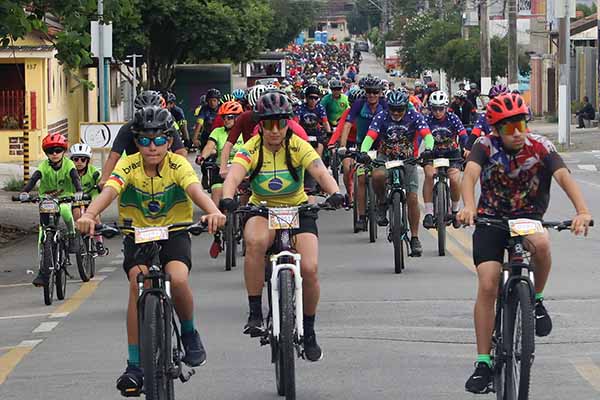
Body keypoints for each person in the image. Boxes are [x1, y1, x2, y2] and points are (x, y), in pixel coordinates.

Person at [76, 105, 226, 396]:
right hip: (138, 235)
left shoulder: (179, 165)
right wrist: (89, 215)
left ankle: (189, 332)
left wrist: (213, 212)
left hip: (175, 232)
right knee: (137, 284)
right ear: (136, 142)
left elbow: (196, 190)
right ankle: (134, 365)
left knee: (178, 278)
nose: (152, 147)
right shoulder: (128, 165)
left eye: (159, 140)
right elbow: (109, 192)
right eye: (144, 140)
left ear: (169, 141)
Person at [458, 93, 593, 394]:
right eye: (508, 128)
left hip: (526, 217)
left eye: (520, 124)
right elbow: (470, 176)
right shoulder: (484, 146)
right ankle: (483, 363)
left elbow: (563, 176)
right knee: (489, 283)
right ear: (496, 130)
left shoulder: (541, 146)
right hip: (491, 218)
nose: (517, 133)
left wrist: (582, 211)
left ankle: (538, 300)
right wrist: (468, 206)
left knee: (542, 244)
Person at [220, 92, 344, 362]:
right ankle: (254, 312)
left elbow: (320, 172)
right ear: (260, 124)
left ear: (288, 123)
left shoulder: (298, 145)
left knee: (310, 269)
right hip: (262, 209)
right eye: (268, 124)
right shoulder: (251, 148)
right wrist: (227, 197)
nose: (275, 130)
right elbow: (234, 176)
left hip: (298, 209)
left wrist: (335, 192)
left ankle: (309, 332)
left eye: (280, 123)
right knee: (254, 243)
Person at [358, 90, 433, 256]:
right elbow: (370, 136)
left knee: (412, 198)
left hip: (408, 158)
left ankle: (414, 238)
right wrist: (363, 152)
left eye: (400, 109)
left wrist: (428, 149)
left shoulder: (415, 116)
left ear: (406, 107)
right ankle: (382, 202)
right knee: (377, 176)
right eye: (393, 109)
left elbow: (427, 135)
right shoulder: (381, 117)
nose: (397, 113)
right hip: (385, 156)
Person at [20, 134, 83, 286]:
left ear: (63, 151)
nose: (54, 154)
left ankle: (72, 234)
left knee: (67, 212)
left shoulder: (69, 165)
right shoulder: (43, 166)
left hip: (65, 198)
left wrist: (78, 191)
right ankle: (43, 267)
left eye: (58, 150)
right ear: (46, 153)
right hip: (46, 200)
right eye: (50, 151)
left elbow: (75, 178)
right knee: (43, 232)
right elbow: (34, 179)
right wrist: (25, 192)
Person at [99, 90, 187, 188]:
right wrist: (105, 179)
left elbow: (180, 152)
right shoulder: (128, 128)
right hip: (135, 174)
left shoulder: (166, 125)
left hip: (162, 172)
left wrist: (181, 174)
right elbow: (114, 156)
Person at [195, 101, 245, 258]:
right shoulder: (217, 132)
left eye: (230, 117)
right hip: (221, 169)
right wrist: (202, 156)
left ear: (238, 118)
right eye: (224, 118)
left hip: (242, 168)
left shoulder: (245, 132)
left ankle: (245, 223)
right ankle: (217, 237)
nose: (226, 120)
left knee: (246, 200)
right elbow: (210, 146)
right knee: (216, 198)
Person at [340, 76, 387, 231]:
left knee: (381, 175)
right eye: (369, 92)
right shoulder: (359, 104)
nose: (372, 95)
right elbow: (347, 124)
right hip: (363, 146)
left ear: (380, 92)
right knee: (361, 179)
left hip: (382, 146)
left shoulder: (385, 105)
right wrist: (342, 146)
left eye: (375, 92)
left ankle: (382, 201)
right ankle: (361, 216)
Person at [422, 90, 467, 229]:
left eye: (441, 108)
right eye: (434, 109)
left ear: (446, 108)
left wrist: (466, 148)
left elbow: (463, 134)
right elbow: (419, 136)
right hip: (433, 154)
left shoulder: (453, 118)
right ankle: (429, 213)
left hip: (452, 154)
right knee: (429, 175)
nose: (437, 112)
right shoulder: (427, 120)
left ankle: (454, 210)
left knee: (454, 179)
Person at [69, 143, 106, 255]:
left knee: (95, 216)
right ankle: (76, 238)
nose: (79, 162)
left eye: (83, 159)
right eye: (76, 159)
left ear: (88, 160)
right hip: (76, 198)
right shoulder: (69, 172)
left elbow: (102, 182)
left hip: (92, 197)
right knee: (76, 214)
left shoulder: (94, 172)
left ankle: (99, 241)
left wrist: (101, 185)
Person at [465, 84, 509, 154]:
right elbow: (475, 132)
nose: (499, 103)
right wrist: (468, 148)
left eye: (503, 100)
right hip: (490, 152)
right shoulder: (484, 116)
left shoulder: (514, 117)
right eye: (495, 100)